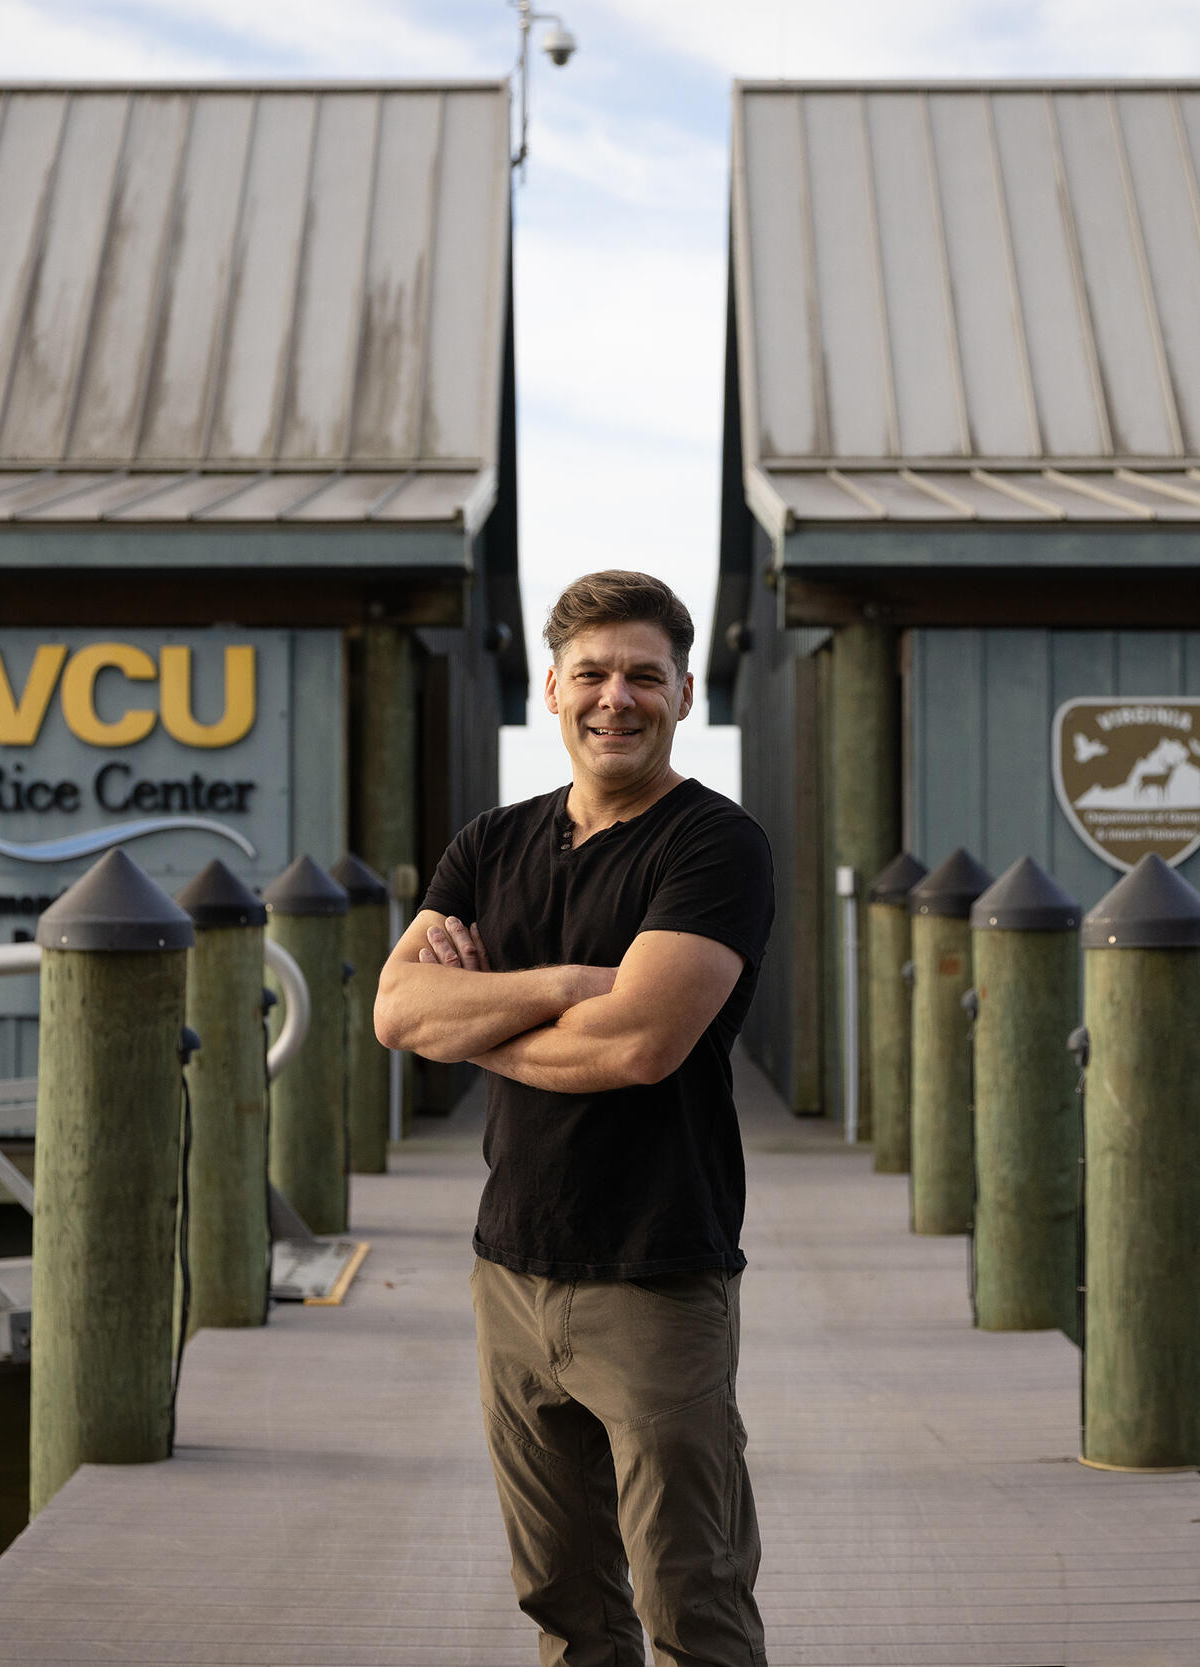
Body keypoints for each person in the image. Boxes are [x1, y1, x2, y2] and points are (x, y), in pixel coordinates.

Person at [373, 569, 773, 1667]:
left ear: (685, 693)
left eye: (644, 674)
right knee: (562, 1599)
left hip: (657, 1273)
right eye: (591, 673)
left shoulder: (714, 845)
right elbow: (398, 1008)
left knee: (690, 1595)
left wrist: (477, 1021)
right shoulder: (488, 843)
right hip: (510, 1268)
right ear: (550, 688)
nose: (615, 697)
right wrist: (562, 985)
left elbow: (639, 1044)